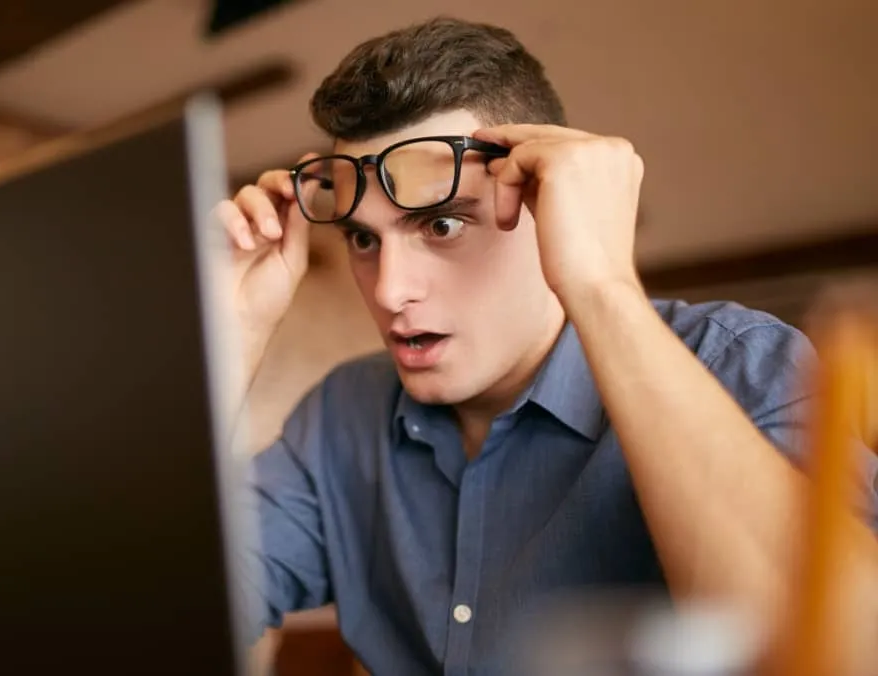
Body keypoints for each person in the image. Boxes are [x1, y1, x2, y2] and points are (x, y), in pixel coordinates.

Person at [214, 16, 878, 675]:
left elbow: (849, 652)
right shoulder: (339, 420)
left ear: (547, 201)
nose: (390, 291)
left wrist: (603, 285)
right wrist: (229, 338)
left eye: (443, 223)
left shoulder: (741, 364)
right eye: (363, 238)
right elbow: (156, 609)